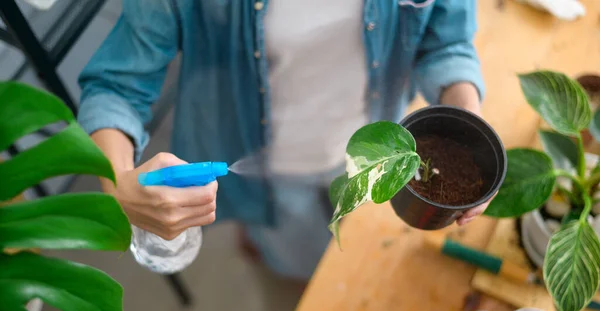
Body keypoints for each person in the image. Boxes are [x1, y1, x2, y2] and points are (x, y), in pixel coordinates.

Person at [78, 0, 491, 282]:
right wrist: (117, 183)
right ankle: (267, 246)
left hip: (375, 154)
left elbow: (446, 43)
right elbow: (117, 85)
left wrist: (468, 124)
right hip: (272, 173)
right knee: (293, 252)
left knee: (349, 239)